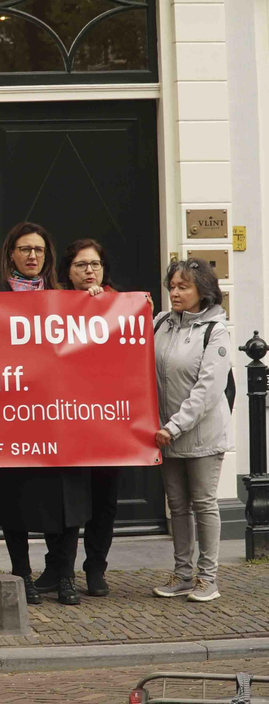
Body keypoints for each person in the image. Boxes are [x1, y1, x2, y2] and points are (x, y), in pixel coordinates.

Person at [0, 222, 88, 606]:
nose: (32, 256)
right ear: (11, 254)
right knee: (15, 501)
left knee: (66, 502)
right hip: (13, 421)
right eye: (25, 249)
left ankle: (64, 576)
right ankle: (22, 576)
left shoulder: (66, 298)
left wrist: (100, 302)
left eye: (39, 250)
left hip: (59, 421)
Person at [152, 258, 232, 603]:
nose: (175, 293)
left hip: (200, 435)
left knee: (203, 503)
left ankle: (207, 578)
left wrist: (175, 426)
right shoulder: (160, 324)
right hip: (165, 434)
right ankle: (183, 574)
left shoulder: (216, 331)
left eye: (183, 287)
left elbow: (208, 389)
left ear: (203, 290)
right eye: (172, 286)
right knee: (177, 505)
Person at [61, 239, 115, 597]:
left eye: (95, 264)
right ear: (69, 271)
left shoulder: (119, 305)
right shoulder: (53, 304)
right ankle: (61, 569)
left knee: (104, 501)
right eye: (81, 265)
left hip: (108, 423)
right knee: (68, 502)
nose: (89, 271)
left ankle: (96, 568)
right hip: (67, 422)